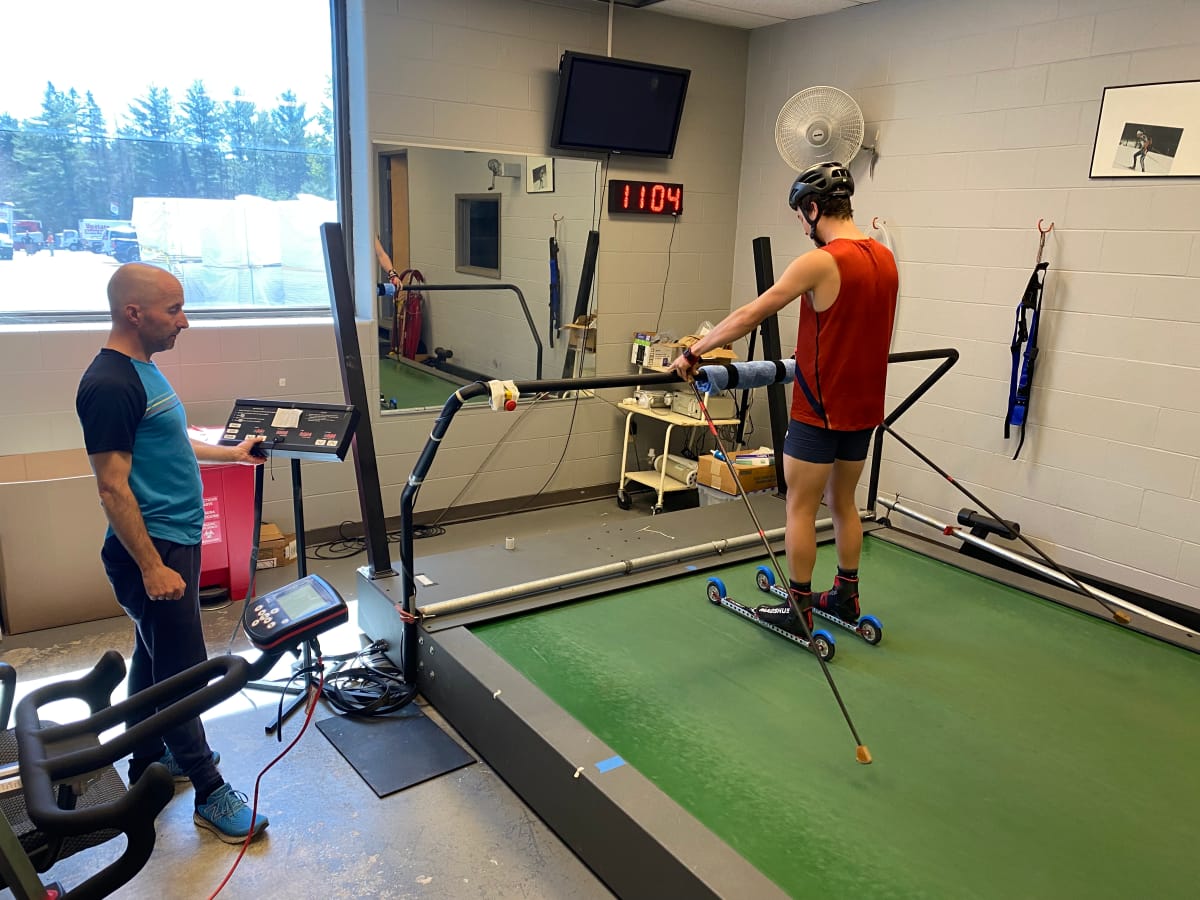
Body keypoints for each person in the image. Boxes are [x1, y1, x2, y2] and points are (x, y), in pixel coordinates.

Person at [75, 263, 270, 844]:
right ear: (134, 313)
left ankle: (146, 764)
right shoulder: (110, 384)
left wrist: (232, 453)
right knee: (183, 675)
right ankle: (209, 789)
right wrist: (152, 565)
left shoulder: (143, 372)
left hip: (171, 542)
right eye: (174, 309)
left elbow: (170, 439)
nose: (184, 321)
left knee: (154, 663)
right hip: (153, 549)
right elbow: (112, 485)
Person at [670, 161, 897, 635]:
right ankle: (846, 594)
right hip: (863, 410)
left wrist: (693, 351)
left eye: (800, 215)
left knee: (800, 506)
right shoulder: (885, 258)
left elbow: (753, 313)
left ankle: (798, 607)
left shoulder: (822, 260)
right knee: (845, 504)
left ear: (813, 209)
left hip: (819, 410)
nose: (803, 225)